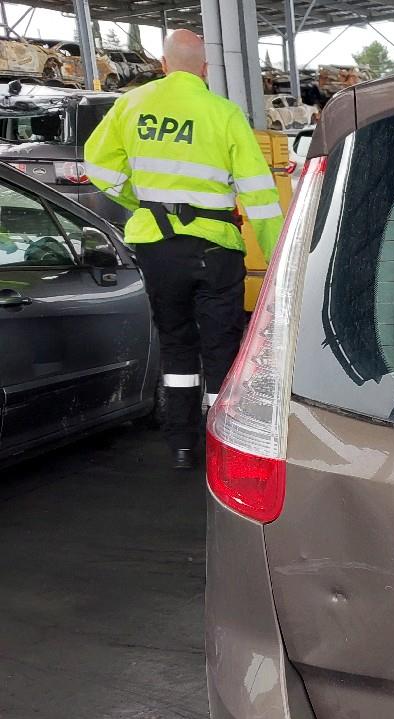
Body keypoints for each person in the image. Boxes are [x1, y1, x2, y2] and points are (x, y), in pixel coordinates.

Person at [84, 29, 283, 469]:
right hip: (215, 247)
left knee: (176, 343)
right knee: (221, 346)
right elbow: (259, 195)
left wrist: (140, 201)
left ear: (163, 64)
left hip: (157, 245)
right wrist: (278, 261)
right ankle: (223, 444)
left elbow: (97, 164)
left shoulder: (131, 105)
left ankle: (181, 446)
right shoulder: (223, 113)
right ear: (205, 70)